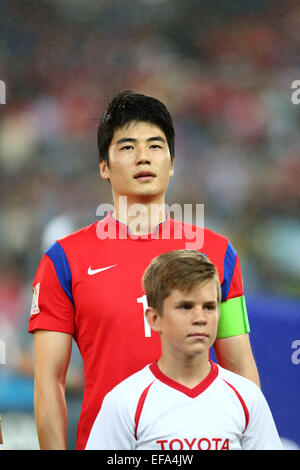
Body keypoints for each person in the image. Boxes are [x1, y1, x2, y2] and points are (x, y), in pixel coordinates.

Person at [28, 91, 260, 450]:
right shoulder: (63, 260)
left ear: (172, 163)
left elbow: (240, 367)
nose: (142, 158)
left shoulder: (219, 253)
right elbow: (48, 382)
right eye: (126, 147)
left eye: (155, 146)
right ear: (103, 166)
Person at [85, 250, 282, 450]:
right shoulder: (124, 402)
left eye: (209, 307)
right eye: (186, 307)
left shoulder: (247, 397)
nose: (200, 318)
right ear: (154, 318)